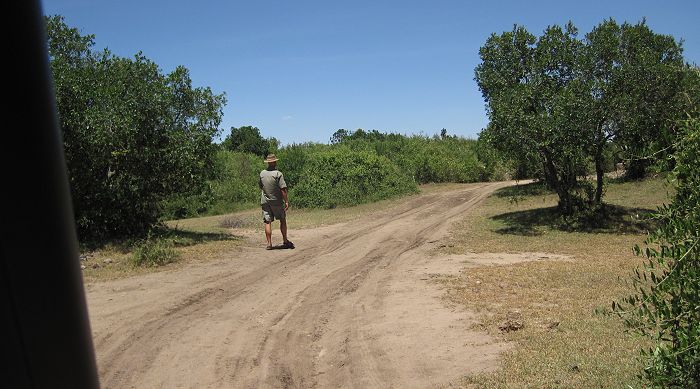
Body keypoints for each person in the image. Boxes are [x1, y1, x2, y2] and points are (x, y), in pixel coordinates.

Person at [259, 154, 294, 250]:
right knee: (282, 219)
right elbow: (283, 189)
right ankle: (285, 240)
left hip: (265, 201)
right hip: (277, 201)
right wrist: (286, 201)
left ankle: (269, 244)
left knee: (267, 221)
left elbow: (261, 186)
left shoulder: (262, 173)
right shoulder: (278, 174)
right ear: (274, 162)